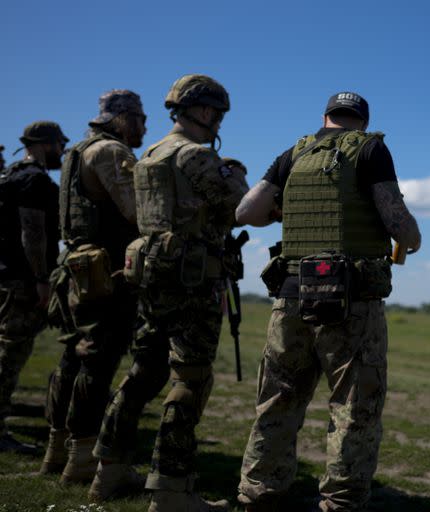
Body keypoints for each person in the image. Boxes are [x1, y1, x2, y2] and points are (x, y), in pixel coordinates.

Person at [236, 91, 421, 512]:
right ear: (362, 120)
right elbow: (397, 223)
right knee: (354, 409)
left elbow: (245, 212)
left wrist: (286, 213)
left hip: (291, 296)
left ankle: (259, 495)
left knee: (278, 400)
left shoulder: (294, 154)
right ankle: (341, 502)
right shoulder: (371, 149)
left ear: (325, 118)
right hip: (351, 300)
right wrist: (413, 237)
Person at [88, 74, 248, 511]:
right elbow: (246, 207)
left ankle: (108, 469)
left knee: (143, 373)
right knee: (190, 381)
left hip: (154, 279)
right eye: (216, 113)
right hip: (193, 283)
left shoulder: (152, 153)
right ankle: (172, 490)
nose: (217, 122)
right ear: (202, 111)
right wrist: (237, 174)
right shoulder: (196, 157)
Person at [39, 90, 147, 488]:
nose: (144, 126)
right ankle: (81, 458)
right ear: (121, 117)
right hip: (106, 272)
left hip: (78, 269)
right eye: (139, 117)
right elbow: (138, 210)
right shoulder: (109, 152)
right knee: (97, 362)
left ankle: (58, 451)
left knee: (73, 357)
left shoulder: (75, 152)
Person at [0, 121, 67, 454]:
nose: (63, 149)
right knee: (9, 356)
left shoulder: (11, 175)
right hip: (22, 280)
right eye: (60, 143)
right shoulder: (34, 180)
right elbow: (33, 233)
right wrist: (42, 278)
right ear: (45, 144)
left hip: (7, 276)